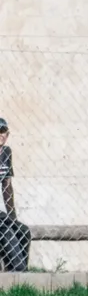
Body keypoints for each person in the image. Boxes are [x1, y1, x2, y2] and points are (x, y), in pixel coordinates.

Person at [0, 117, 31, 272]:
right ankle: (19, 272)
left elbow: (6, 186)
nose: (0, 135)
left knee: (22, 231)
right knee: (6, 231)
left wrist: (12, 217)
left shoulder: (5, 152)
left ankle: (16, 272)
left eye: (3, 131)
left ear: (7, 134)